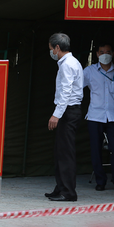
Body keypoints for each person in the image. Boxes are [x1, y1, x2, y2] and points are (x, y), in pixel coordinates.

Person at [83, 42, 114, 192]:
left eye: (108, 52)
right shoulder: (89, 71)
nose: (105, 55)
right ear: (97, 54)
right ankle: (100, 181)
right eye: (102, 52)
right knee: (96, 150)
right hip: (95, 116)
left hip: (113, 116)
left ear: (113, 54)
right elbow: (77, 88)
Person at [45, 33, 84, 202]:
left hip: (69, 111)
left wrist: (56, 114)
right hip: (69, 110)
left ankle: (68, 192)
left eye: (51, 49)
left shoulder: (67, 64)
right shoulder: (70, 62)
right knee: (60, 151)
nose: (51, 52)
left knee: (66, 153)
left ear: (57, 47)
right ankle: (60, 187)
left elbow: (66, 91)